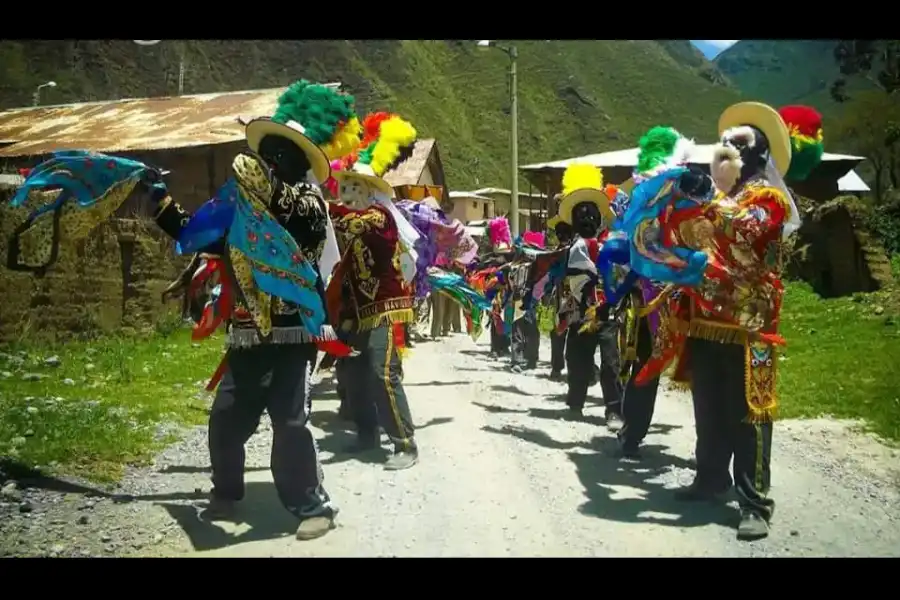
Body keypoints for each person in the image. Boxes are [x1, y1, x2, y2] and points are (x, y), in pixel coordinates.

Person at [153, 81, 360, 539]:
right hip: (245, 333)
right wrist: (161, 206)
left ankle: (312, 505)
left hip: (293, 334)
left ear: (297, 162)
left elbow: (283, 222)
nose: (269, 160)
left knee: (290, 423)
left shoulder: (307, 205)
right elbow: (203, 236)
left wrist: (253, 187)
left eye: (278, 154)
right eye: (267, 152)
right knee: (226, 419)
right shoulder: (238, 203)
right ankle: (226, 495)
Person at [660, 102, 810, 541]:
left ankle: (755, 502)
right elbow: (690, 237)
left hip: (752, 326)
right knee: (708, 404)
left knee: (750, 413)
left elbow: (747, 231)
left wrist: (713, 199)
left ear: (759, 154)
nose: (725, 150)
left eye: (737, 145)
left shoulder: (771, 199)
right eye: (723, 143)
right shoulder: (717, 196)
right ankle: (710, 477)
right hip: (708, 319)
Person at [330, 113, 423, 471]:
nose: (349, 193)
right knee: (351, 372)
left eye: (357, 188)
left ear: (370, 192)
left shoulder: (378, 218)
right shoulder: (345, 219)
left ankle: (404, 442)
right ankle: (367, 433)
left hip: (383, 306)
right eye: (345, 187)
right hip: (356, 308)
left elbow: (350, 223)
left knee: (382, 371)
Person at [617, 125, 697, 457]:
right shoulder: (684, 203)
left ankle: (633, 434)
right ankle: (706, 451)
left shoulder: (651, 207)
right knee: (683, 370)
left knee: (653, 367)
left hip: (671, 297)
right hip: (672, 297)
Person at [556, 164, 622, 423]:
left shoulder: (613, 244)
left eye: (591, 213)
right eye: (581, 214)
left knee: (610, 361)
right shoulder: (570, 249)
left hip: (608, 312)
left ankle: (614, 409)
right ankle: (575, 402)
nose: (587, 218)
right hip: (580, 313)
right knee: (576, 359)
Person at [547, 216, 574, 380]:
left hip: (562, 295)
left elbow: (553, 273)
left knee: (559, 331)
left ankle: (557, 368)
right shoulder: (578, 246)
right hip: (576, 295)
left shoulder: (559, 251)